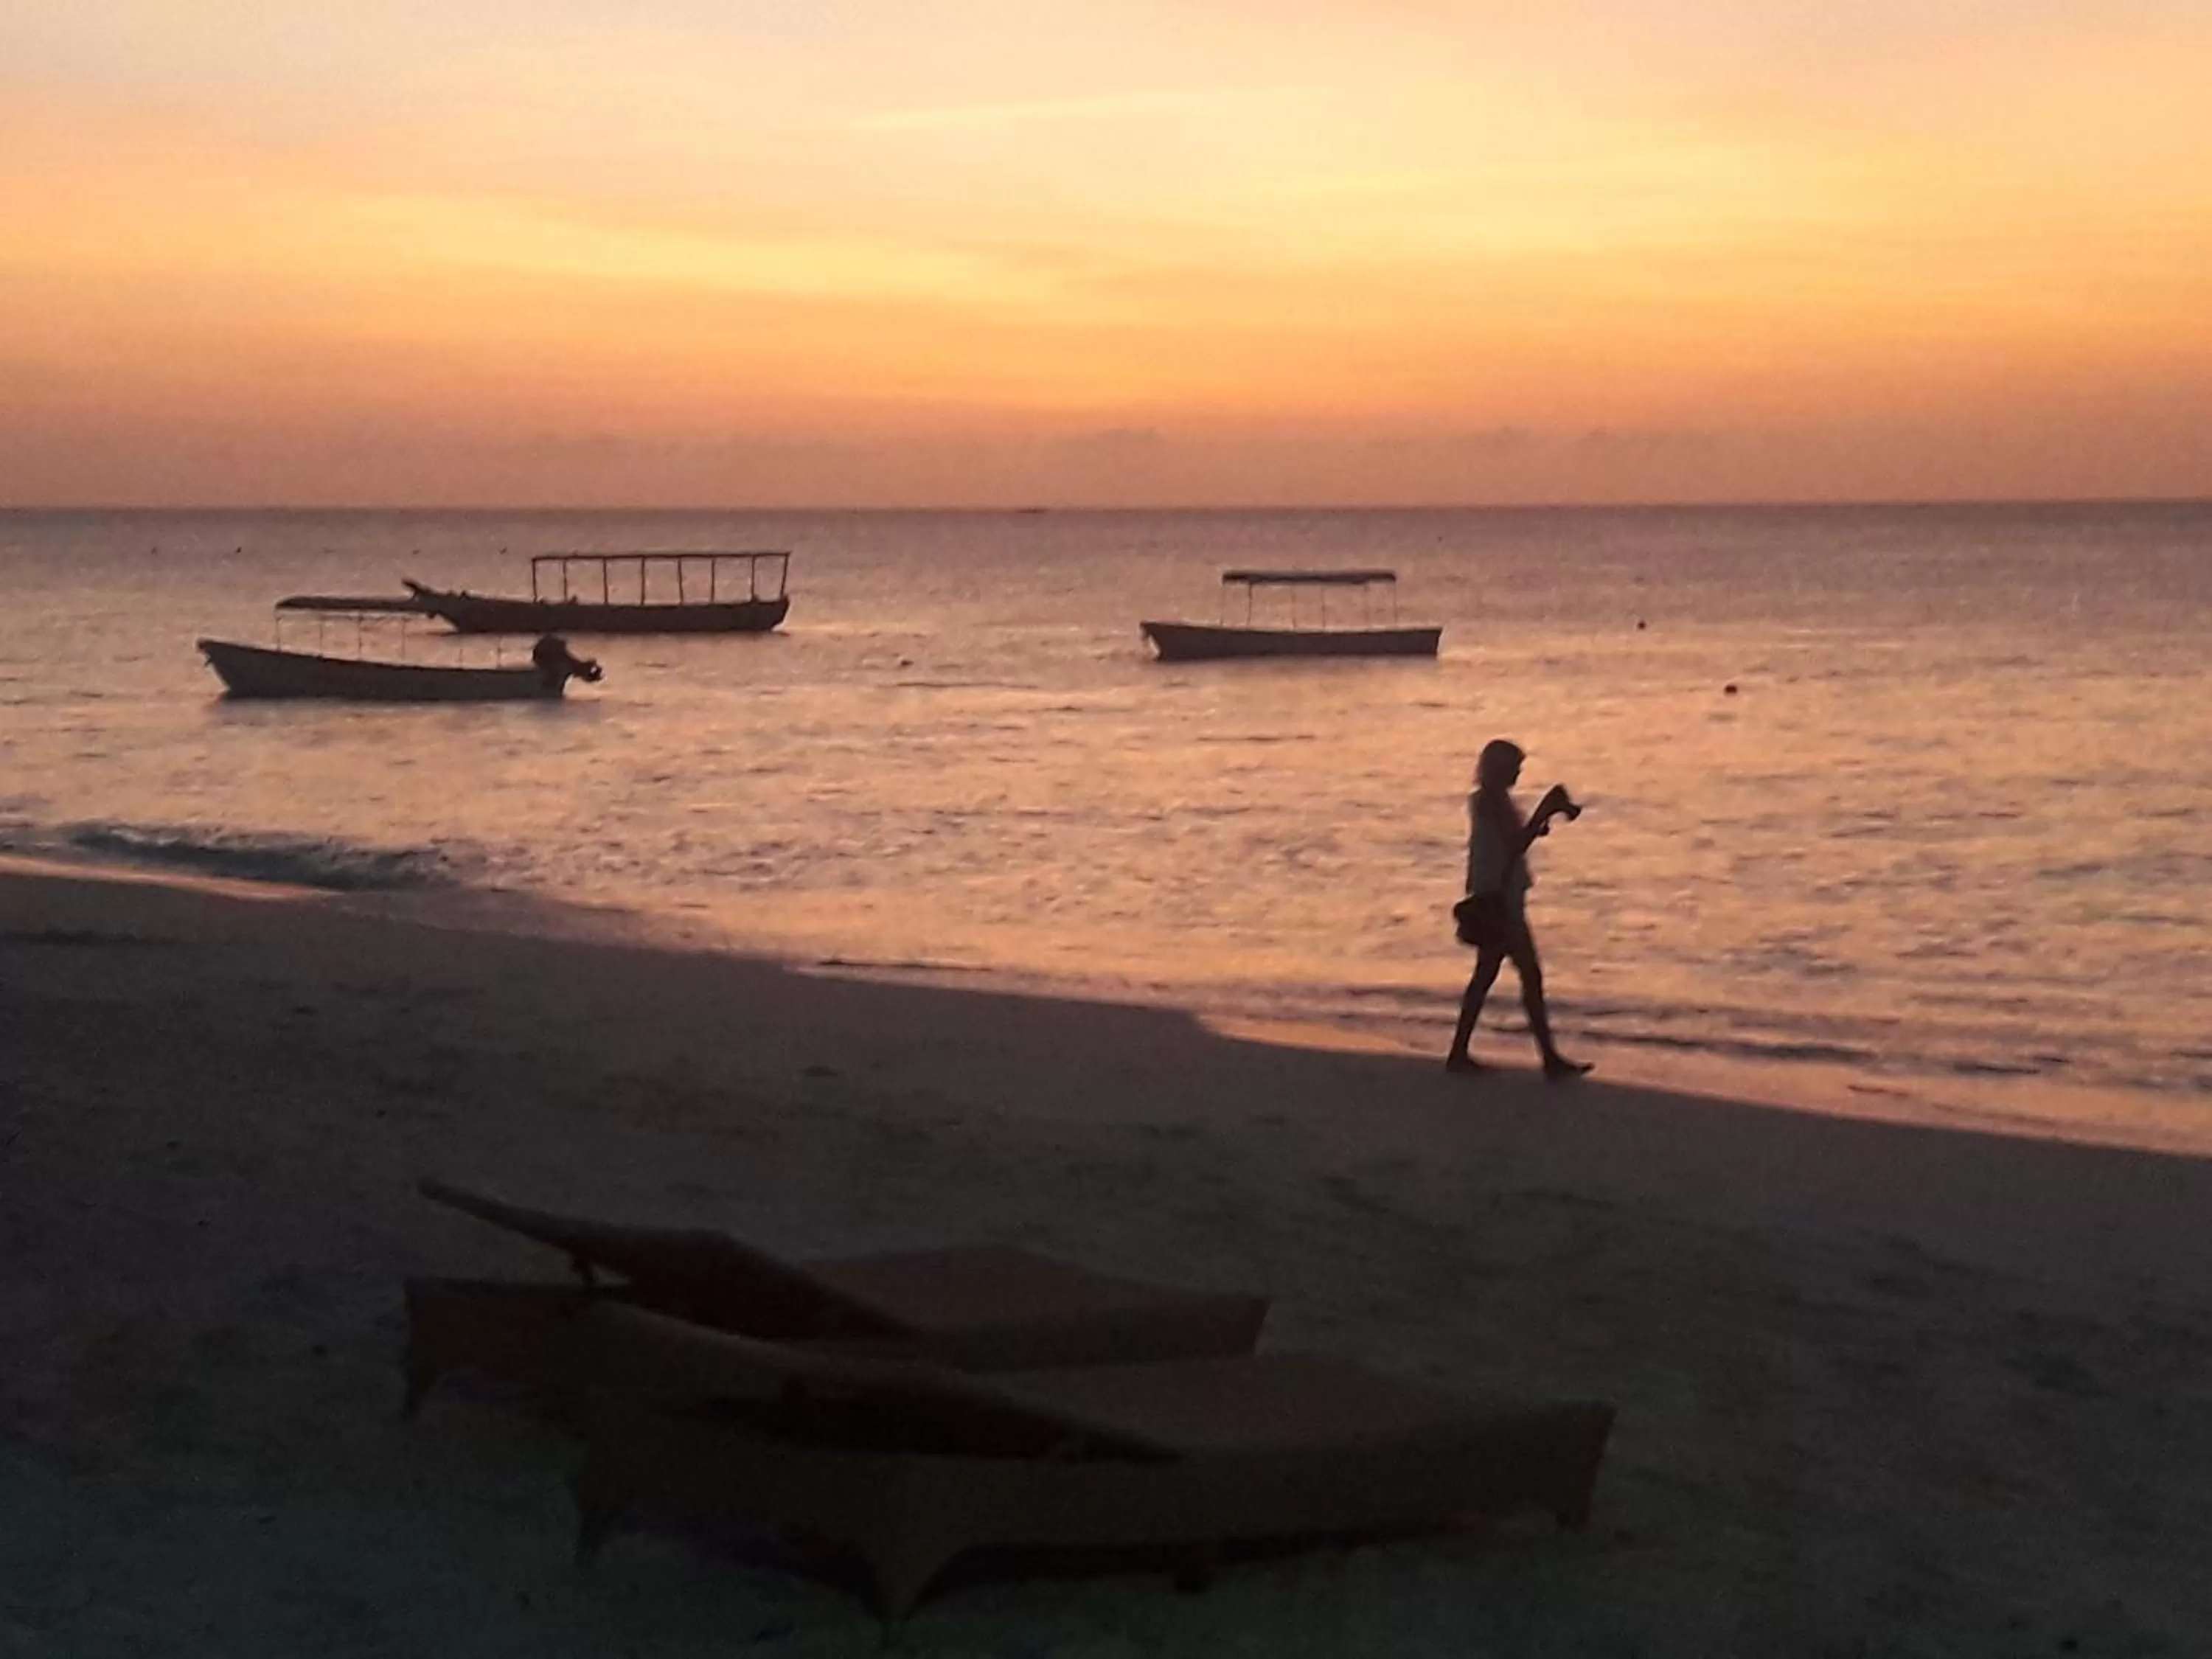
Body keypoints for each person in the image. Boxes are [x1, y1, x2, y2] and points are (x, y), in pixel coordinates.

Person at [1445, 738, 1592, 1080]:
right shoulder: (1489, 801)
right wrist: (1547, 808)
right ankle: (1549, 1059)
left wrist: (1545, 815)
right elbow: (1514, 844)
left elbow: (1515, 839)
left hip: (1501, 896)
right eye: (1514, 767)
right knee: (1527, 975)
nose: (1518, 773)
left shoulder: (1494, 801)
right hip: (1498, 899)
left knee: (1489, 977)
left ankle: (1461, 1052)